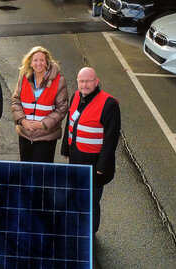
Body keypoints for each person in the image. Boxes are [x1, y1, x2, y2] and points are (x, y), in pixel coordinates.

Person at [61, 67, 120, 233]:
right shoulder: (76, 96)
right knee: (77, 196)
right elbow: (70, 124)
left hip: (95, 165)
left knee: (91, 201)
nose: (84, 85)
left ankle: (89, 234)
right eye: (81, 81)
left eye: (88, 81)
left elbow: (111, 138)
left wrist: (103, 166)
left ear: (97, 81)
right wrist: (65, 148)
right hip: (76, 160)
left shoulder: (109, 104)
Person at [10, 46, 68, 163]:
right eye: (35, 60)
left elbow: (62, 108)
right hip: (25, 134)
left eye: (42, 60)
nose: (38, 63)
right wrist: (23, 121)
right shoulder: (23, 78)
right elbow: (16, 100)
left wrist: (42, 124)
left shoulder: (59, 80)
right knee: (25, 172)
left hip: (46, 136)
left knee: (42, 174)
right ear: (30, 63)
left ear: (47, 62)